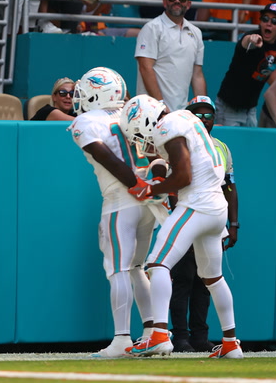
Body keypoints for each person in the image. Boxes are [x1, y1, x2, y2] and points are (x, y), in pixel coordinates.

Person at [122, 99, 243, 360]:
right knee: (212, 278)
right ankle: (231, 343)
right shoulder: (186, 120)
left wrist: (150, 189)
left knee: (156, 264)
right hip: (215, 208)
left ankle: (158, 336)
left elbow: (184, 177)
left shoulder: (170, 124)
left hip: (196, 205)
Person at [68, 68, 165, 358]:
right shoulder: (131, 110)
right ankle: (153, 334)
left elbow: (102, 154)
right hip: (147, 201)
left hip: (121, 199)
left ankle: (122, 339)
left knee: (119, 269)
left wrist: (133, 184)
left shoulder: (86, 121)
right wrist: (147, 185)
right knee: (137, 268)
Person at [169, 95, 239, 353]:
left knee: (206, 281)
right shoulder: (178, 143)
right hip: (187, 216)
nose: (203, 119)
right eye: (197, 114)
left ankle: (200, 336)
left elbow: (230, 186)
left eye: (208, 115)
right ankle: (180, 337)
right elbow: (173, 183)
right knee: (182, 278)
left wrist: (234, 224)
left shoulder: (221, 147)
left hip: (212, 219)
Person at [215, 3, 276, 127]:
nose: (269, 23)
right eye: (265, 19)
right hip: (229, 107)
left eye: (274, 21)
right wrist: (252, 39)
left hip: (250, 109)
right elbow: (246, 41)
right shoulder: (251, 37)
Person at [135, 0, 206, 111]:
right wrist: (160, 105)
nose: (177, 1)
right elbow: (145, 68)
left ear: (188, 4)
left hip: (180, 113)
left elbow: (197, 75)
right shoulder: (151, 28)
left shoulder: (196, 32)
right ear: (165, 2)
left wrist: (203, 109)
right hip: (151, 112)